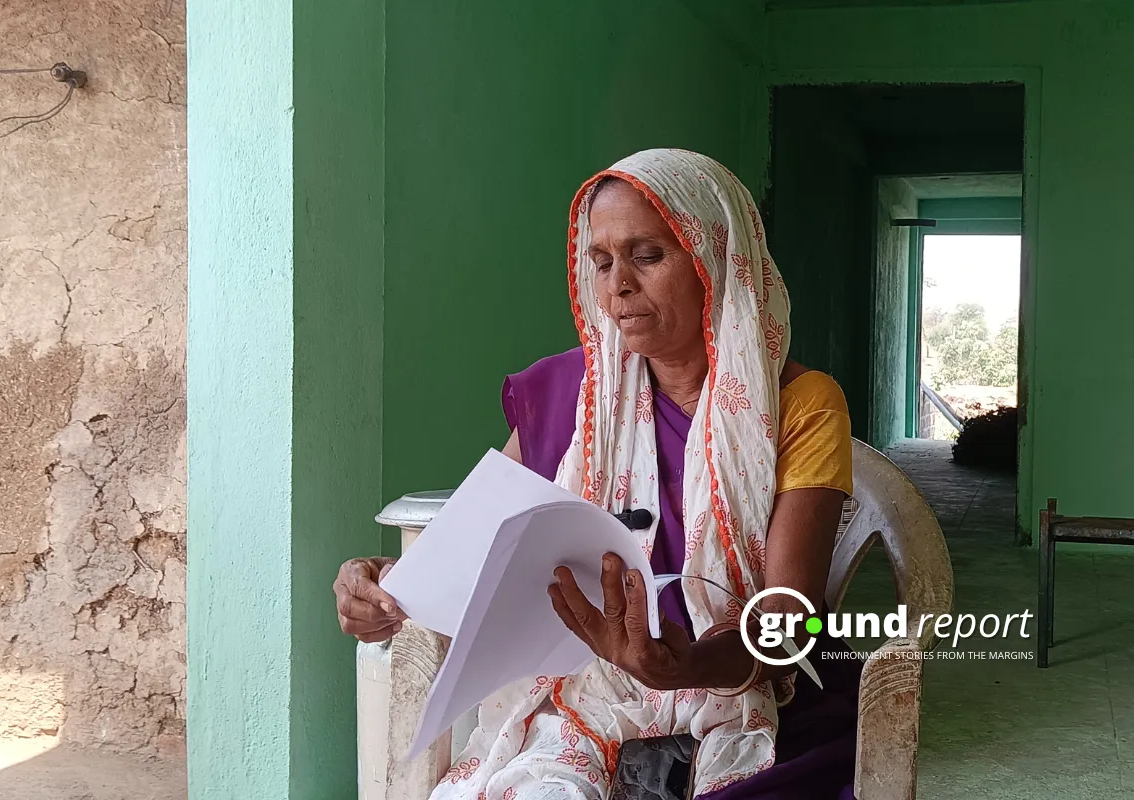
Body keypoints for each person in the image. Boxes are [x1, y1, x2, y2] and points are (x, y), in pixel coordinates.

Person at [334, 148, 862, 799]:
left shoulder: (802, 405)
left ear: (716, 259)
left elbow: (796, 617)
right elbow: (468, 553)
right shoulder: (569, 394)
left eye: (648, 255)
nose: (617, 286)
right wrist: (383, 586)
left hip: (734, 687)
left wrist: (687, 663)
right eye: (602, 261)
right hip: (580, 695)